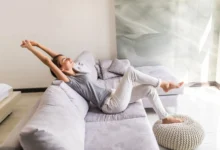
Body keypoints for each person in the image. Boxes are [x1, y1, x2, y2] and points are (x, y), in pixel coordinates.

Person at [21, 40, 184, 124]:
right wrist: (31, 48)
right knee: (131, 73)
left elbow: (55, 57)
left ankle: (164, 117)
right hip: (110, 105)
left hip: (113, 96)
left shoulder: (76, 69)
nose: (69, 58)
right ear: (61, 70)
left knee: (149, 89)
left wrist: (39, 44)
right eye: (65, 60)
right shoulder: (69, 80)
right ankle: (163, 84)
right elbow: (49, 62)